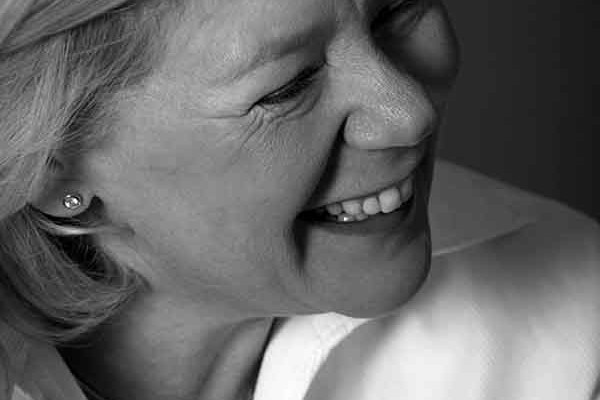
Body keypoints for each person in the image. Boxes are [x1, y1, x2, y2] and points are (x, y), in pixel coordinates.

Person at [0, 0, 598, 399]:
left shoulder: (577, 313)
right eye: (288, 87)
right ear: (50, 173)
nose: (409, 113)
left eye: (397, 10)